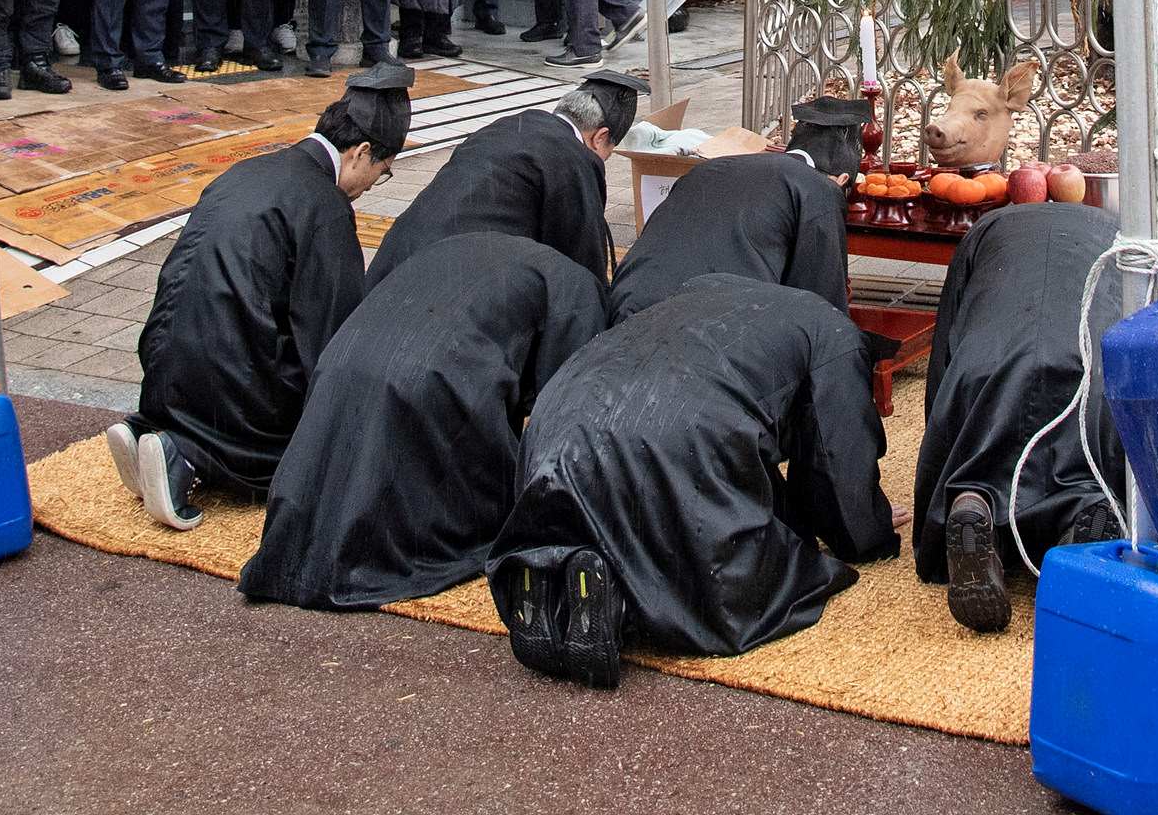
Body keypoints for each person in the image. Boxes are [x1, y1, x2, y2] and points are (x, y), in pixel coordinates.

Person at [487, 274, 898, 683]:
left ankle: (559, 566)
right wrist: (867, 531)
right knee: (735, 572)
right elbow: (836, 449)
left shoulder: (692, 296)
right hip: (670, 434)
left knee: (614, 500)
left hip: (555, 420)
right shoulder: (834, 333)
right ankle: (625, 606)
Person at [104, 63, 412, 529]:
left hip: (163, 360)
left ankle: (147, 428)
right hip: (229, 382)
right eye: (381, 172)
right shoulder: (324, 206)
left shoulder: (249, 169)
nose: (371, 186)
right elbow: (332, 330)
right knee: (302, 454)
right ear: (361, 152)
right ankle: (183, 457)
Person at [240, 232, 607, 611]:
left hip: (345, 357)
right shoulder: (578, 288)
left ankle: (316, 547)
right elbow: (562, 407)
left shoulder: (463, 248)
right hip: (430, 376)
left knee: (352, 468)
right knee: (458, 497)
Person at [911, 201, 1129, 633]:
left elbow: (946, 345)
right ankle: (1084, 512)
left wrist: (942, 441)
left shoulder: (985, 228)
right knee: (1086, 468)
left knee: (981, 459)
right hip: (1088, 367)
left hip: (987, 365)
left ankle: (975, 500)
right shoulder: (1123, 237)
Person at [365, 71, 635, 290]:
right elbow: (582, 263)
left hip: (394, 261)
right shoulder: (573, 157)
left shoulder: (503, 126)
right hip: (450, 279)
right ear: (600, 137)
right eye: (606, 154)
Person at [604, 147, 851, 324]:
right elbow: (819, 305)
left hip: (631, 296)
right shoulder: (819, 190)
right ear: (841, 180)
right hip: (712, 320)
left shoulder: (711, 167)